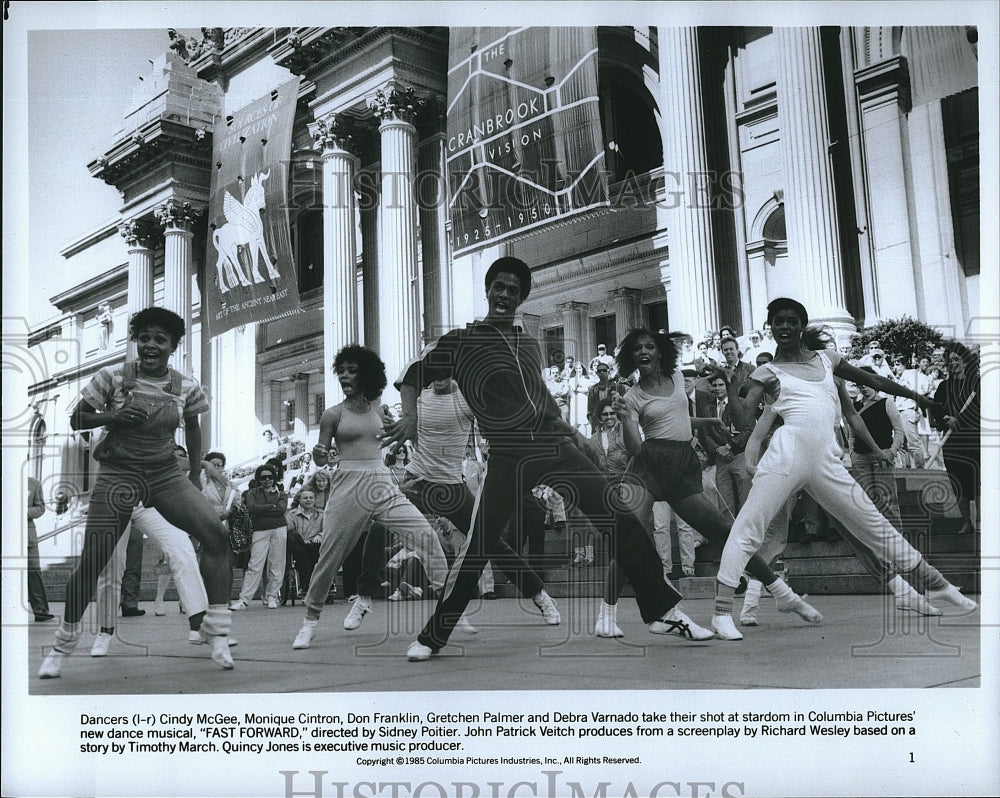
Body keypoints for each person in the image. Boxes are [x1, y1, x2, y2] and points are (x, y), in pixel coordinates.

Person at [387, 257, 704, 662]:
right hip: (509, 455)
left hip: (557, 446)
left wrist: (579, 439)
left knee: (618, 517)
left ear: (521, 298)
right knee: (479, 544)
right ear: (488, 291)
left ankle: (662, 611)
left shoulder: (527, 344)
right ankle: (434, 636)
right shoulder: (462, 340)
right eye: (499, 287)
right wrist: (411, 416)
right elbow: (413, 374)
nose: (505, 294)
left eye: (513, 290)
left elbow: (543, 403)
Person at [714, 298, 977, 641]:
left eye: (792, 321)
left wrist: (922, 398)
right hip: (786, 455)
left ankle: (935, 584)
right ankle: (721, 613)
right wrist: (729, 383)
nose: (785, 326)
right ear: (771, 327)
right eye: (778, 321)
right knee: (749, 527)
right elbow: (744, 418)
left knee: (872, 522)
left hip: (826, 459)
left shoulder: (828, 360)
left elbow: (876, 383)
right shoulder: (766, 372)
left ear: (801, 325)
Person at [39, 307, 234, 678]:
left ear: (173, 346)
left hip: (164, 474)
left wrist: (194, 472)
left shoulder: (186, 386)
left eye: (159, 339)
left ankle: (218, 630)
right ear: (136, 341)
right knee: (93, 560)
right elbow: (76, 417)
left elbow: (192, 428)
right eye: (144, 337)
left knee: (216, 534)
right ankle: (63, 643)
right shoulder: (111, 377)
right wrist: (111, 417)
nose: (150, 345)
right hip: (119, 475)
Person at [596, 328, 813, 640]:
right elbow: (635, 447)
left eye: (649, 347)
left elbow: (675, 420)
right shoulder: (631, 397)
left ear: (659, 353)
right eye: (637, 349)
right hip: (648, 465)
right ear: (631, 357)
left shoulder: (675, 379)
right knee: (631, 539)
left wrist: (706, 421)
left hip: (682, 465)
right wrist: (626, 419)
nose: (643, 352)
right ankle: (606, 615)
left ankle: (781, 592)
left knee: (726, 531)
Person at [291, 345, 450, 649]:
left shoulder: (380, 411)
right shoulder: (332, 414)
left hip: (380, 481)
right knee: (330, 554)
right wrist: (319, 453)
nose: (346, 376)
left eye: (353, 370)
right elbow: (322, 458)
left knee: (425, 536)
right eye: (342, 371)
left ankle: (448, 607)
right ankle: (310, 621)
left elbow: (398, 435)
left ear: (366, 375)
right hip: (347, 483)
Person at [397, 377, 557, 624]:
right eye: (434, 370)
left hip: (452, 486)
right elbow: (404, 385)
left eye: (445, 371)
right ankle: (361, 596)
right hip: (415, 480)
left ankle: (539, 595)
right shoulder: (418, 397)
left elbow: (495, 421)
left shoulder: (466, 398)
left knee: (491, 542)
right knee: (375, 521)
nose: (439, 377)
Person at [931, 341, 980, 536]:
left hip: (974, 438)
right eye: (949, 360)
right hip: (952, 443)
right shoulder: (944, 386)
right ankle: (966, 521)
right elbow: (936, 409)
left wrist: (962, 421)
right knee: (958, 483)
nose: (953, 363)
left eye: (956, 359)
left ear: (966, 361)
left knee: (978, 481)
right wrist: (944, 420)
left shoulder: (977, 383)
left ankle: (982, 521)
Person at [231, 463, 288, 610]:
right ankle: (244, 600)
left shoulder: (281, 493)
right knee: (254, 565)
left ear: (274, 478)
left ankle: (272, 596)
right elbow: (252, 508)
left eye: (270, 477)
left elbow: (281, 509)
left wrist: (263, 509)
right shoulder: (252, 493)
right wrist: (272, 506)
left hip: (279, 529)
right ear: (259, 479)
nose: (267, 480)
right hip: (260, 530)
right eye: (263, 478)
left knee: (276, 564)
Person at [894, 356, 934, 468]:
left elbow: (921, 392)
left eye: (899, 364)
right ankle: (906, 468)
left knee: (914, 443)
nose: (897, 367)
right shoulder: (906, 374)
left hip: (909, 409)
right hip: (900, 409)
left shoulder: (925, 378)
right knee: (902, 443)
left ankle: (920, 469)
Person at [285, 488, 324, 598]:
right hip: (299, 546)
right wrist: (302, 541)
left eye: (311, 498)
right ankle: (306, 585)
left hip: (316, 545)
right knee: (293, 536)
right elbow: (289, 531)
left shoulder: (322, 514)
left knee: (317, 550)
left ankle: (315, 585)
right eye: (305, 498)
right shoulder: (292, 514)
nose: (308, 500)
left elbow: (328, 529)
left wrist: (319, 535)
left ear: (315, 500)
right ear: (300, 500)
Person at [27, 477, 53, 622]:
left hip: (27, 538)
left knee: (34, 572)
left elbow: (40, 507)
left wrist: (22, 512)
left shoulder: (34, 483)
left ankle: (41, 610)